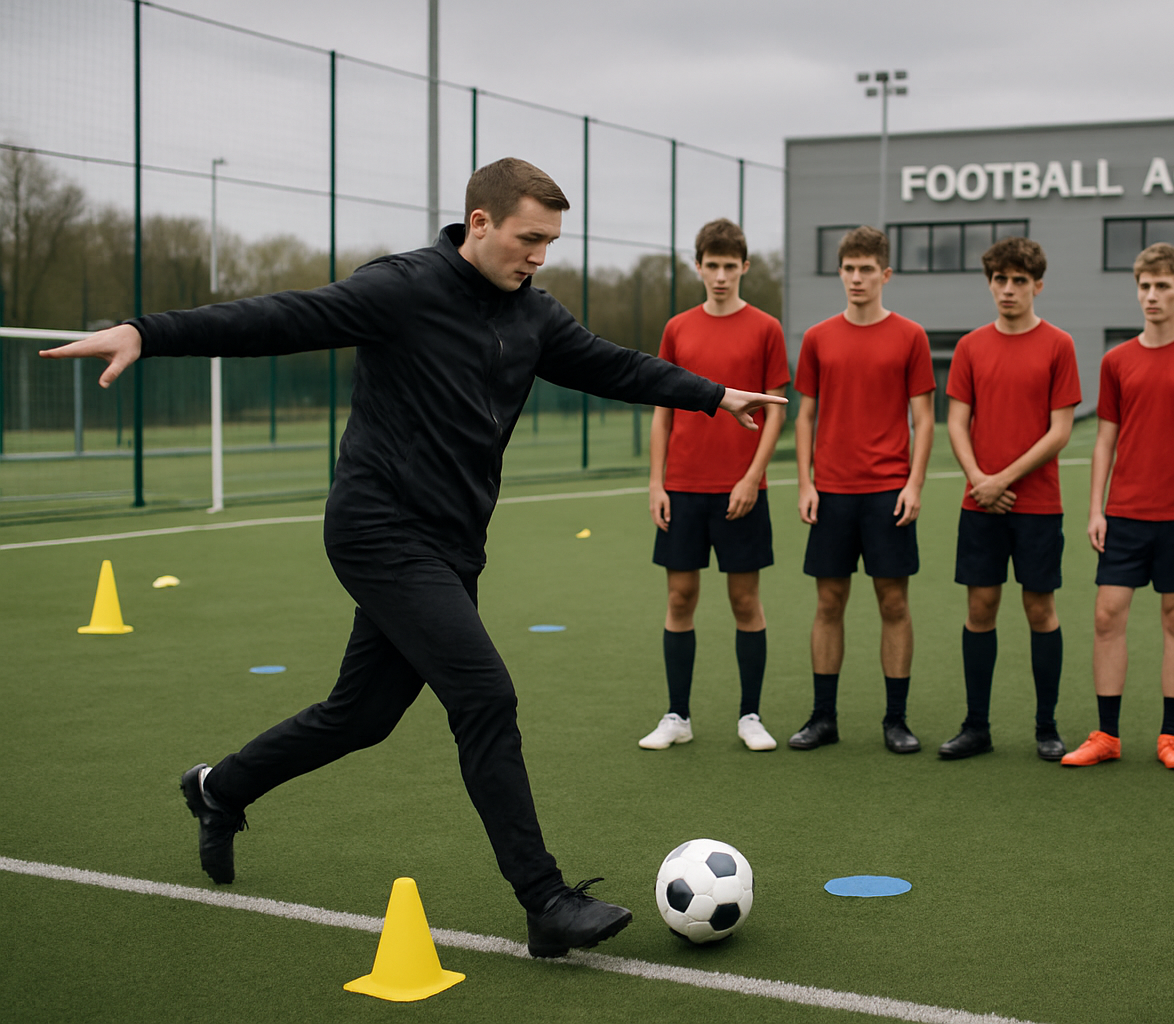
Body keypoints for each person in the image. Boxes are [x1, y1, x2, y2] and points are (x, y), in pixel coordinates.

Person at [39, 157, 786, 955]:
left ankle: (219, 788)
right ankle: (544, 901)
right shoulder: (401, 288)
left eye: (551, 243)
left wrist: (714, 395)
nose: (539, 257)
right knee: (484, 695)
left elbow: (615, 365)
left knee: (360, 716)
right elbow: (279, 318)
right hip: (378, 530)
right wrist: (146, 332)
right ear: (480, 223)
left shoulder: (533, 316)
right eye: (529, 239)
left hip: (453, 544)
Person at [1066, 242, 1174, 770]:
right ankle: (1106, 736)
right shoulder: (1116, 360)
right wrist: (1096, 509)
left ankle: (1170, 740)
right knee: (1107, 615)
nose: (1152, 295)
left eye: (1162, 286)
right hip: (1125, 514)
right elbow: (1105, 440)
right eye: (1144, 286)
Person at [640, 218, 789, 753]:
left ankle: (750, 716)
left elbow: (775, 412)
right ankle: (677, 716)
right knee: (680, 597)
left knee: (745, 600)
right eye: (712, 265)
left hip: (742, 492)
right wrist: (656, 483)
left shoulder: (766, 329)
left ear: (744, 267)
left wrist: (751, 478)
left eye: (730, 266)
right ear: (698, 266)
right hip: (682, 488)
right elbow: (662, 411)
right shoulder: (677, 328)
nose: (721, 276)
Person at [789, 226, 936, 754]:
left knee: (894, 603)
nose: (857, 278)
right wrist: (806, 482)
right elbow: (805, 417)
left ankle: (896, 721)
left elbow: (925, 418)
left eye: (866, 269)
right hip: (831, 493)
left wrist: (914, 484)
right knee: (829, 603)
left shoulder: (911, 336)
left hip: (888, 493)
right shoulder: (818, 338)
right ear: (840, 272)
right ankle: (823, 718)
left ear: (885, 274)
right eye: (849, 269)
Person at [939, 236, 1080, 761]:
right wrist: (981, 479)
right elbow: (957, 422)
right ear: (990, 283)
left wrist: (1004, 479)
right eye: (1000, 279)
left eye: (1020, 280)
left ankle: (1047, 727)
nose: (1008, 289)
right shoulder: (970, 347)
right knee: (980, 607)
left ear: (1037, 286)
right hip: (980, 502)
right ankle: (976, 726)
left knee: (1040, 608)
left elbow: (1060, 430)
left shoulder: (1059, 344)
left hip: (1038, 505)